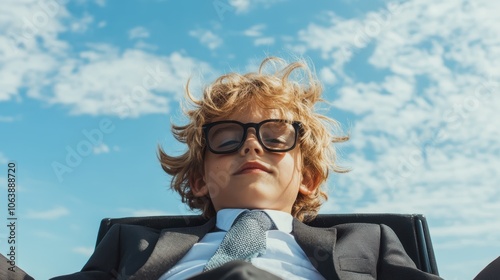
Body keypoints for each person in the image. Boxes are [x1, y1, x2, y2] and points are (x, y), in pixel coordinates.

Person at [51, 57, 443, 279]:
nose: (252, 144)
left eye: (275, 138)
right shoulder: (130, 243)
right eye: (227, 138)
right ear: (199, 179)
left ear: (308, 178)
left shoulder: (369, 241)